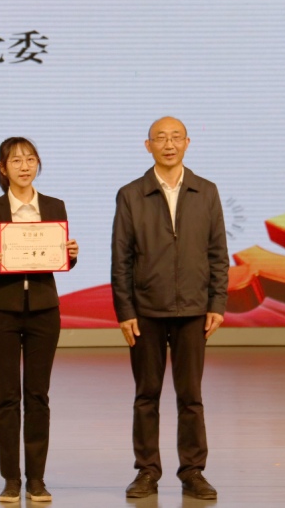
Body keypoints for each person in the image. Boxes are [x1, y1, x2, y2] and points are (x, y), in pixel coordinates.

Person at [111, 116, 229, 500]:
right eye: (160, 138)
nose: (168, 144)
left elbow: (218, 253)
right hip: (145, 311)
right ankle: (147, 471)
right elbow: (121, 258)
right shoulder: (131, 194)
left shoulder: (206, 191)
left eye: (176, 137)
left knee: (190, 396)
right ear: (148, 146)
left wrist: (217, 302)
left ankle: (193, 471)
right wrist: (125, 310)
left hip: (194, 310)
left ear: (187, 143)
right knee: (146, 395)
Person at [0, 137, 79, 503]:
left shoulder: (54, 206)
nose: (24, 166)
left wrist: (70, 254)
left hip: (44, 310)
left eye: (30, 159)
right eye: (16, 161)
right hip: (1, 310)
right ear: (3, 168)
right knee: (6, 397)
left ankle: (36, 479)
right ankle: (11, 479)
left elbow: (60, 258)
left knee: (37, 396)